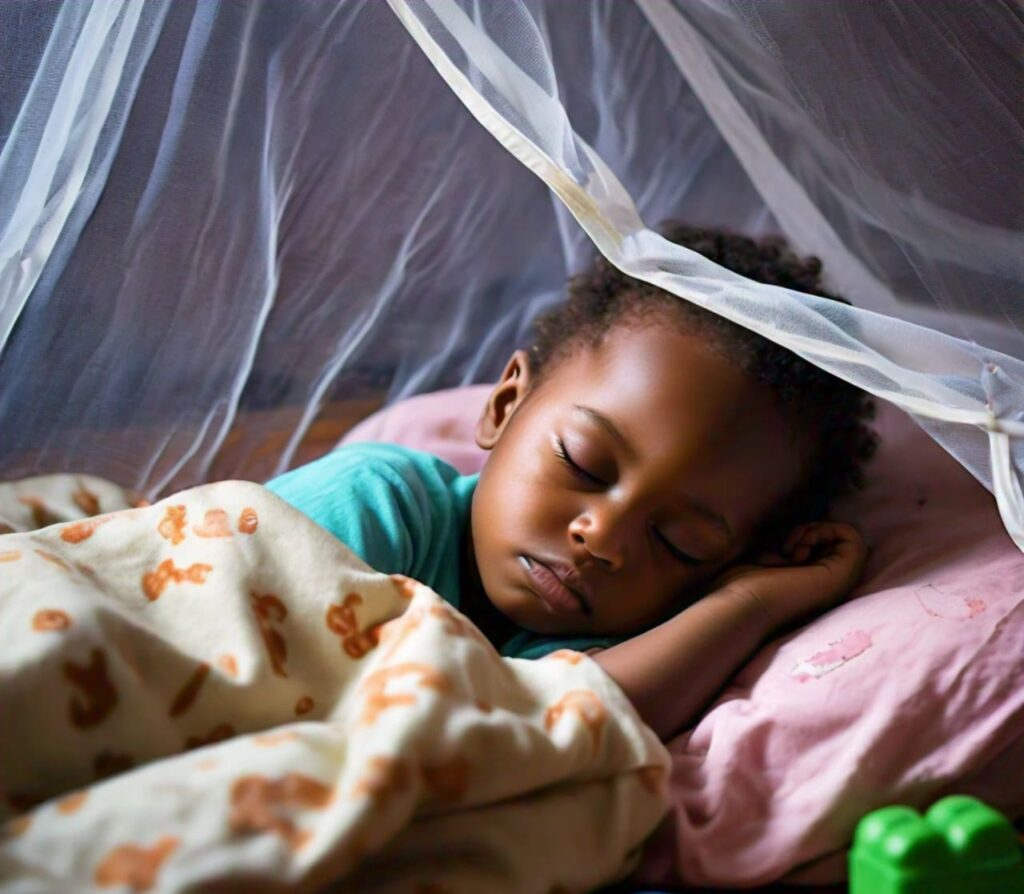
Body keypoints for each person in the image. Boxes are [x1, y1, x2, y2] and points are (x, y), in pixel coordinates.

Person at [267, 225, 876, 740]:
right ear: (506, 404)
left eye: (681, 541)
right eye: (584, 464)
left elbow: (584, 721)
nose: (604, 537)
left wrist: (750, 602)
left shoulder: (590, 641)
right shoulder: (378, 499)